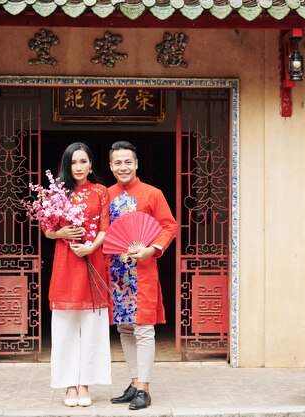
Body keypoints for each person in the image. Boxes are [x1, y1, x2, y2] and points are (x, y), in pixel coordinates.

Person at [107, 141, 177, 410]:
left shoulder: (153, 194)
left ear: (136, 164)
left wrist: (151, 249)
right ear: (111, 166)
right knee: (124, 328)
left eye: (127, 162)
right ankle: (135, 382)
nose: (123, 167)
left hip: (143, 271)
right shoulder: (106, 194)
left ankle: (145, 389)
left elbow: (169, 226)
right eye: (117, 163)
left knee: (144, 329)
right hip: (115, 271)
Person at [44, 142, 112, 407]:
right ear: (66, 165)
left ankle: (86, 383)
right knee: (64, 328)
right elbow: (48, 229)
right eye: (73, 162)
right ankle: (69, 385)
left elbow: (106, 227)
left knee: (93, 327)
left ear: (91, 164)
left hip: (92, 260)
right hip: (66, 264)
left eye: (83, 161)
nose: (79, 167)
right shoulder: (57, 193)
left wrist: (90, 247)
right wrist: (61, 233)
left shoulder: (101, 191)